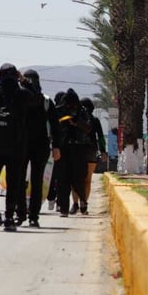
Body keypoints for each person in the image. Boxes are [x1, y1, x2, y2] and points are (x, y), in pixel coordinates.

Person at [0, 63, 34, 232]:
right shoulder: (24, 94)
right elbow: (36, 98)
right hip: (18, 146)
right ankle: (10, 218)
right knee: (14, 183)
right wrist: (24, 81)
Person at [15, 69, 61, 228]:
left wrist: (56, 146)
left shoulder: (45, 101)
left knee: (33, 181)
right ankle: (23, 213)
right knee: (25, 181)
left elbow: (55, 126)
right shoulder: (19, 98)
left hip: (37, 145)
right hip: (24, 144)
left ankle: (31, 215)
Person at [55, 89, 93, 217]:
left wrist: (76, 122)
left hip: (79, 149)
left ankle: (82, 202)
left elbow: (88, 128)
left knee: (78, 179)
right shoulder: (59, 110)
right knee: (63, 180)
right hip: (63, 149)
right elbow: (53, 127)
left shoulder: (82, 111)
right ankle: (64, 208)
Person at [76, 97, 106, 214]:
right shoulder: (95, 120)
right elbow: (101, 137)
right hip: (91, 151)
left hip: (78, 151)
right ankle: (84, 204)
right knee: (88, 180)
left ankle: (75, 203)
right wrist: (103, 151)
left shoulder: (77, 119)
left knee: (77, 178)